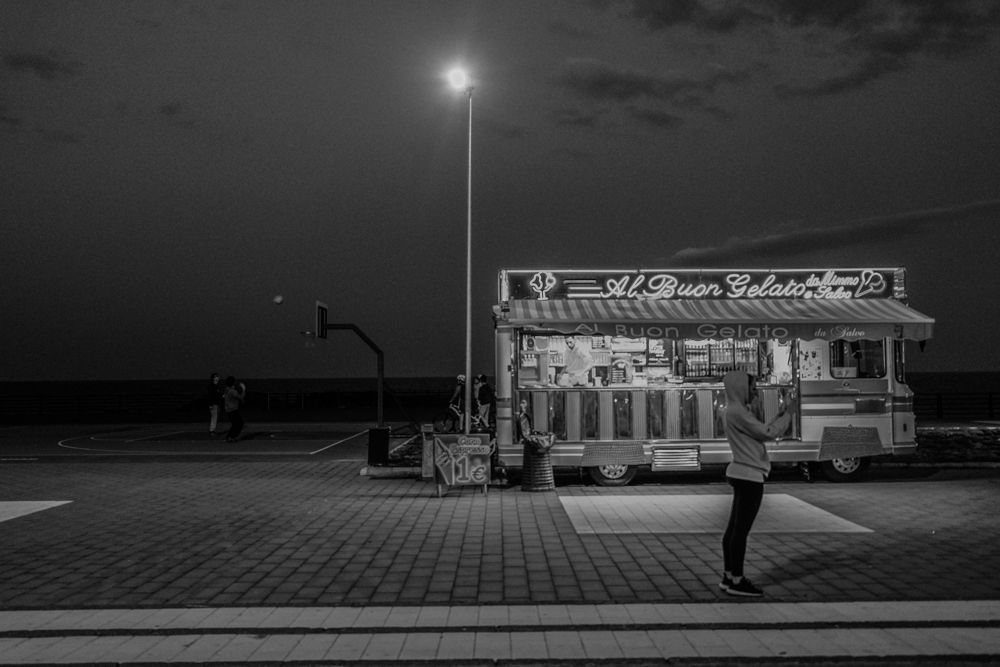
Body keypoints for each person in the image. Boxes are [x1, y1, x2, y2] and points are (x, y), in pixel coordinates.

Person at [719, 370, 797, 597]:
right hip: (749, 475)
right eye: (752, 387)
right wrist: (789, 414)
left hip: (741, 472)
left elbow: (760, 432)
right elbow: (768, 433)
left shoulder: (736, 411)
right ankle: (737, 580)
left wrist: (780, 414)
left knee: (733, 529)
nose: (755, 392)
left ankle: (728, 576)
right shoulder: (738, 412)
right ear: (741, 388)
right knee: (740, 532)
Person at [223, 376, 247, 442]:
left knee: (234, 424)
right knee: (240, 424)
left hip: (228, 410)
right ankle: (232, 437)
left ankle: (228, 437)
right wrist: (244, 389)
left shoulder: (227, 390)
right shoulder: (233, 391)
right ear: (233, 382)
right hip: (233, 410)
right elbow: (241, 397)